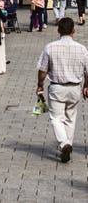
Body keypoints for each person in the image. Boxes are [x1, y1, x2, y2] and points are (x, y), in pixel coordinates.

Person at [36, 16, 88, 163]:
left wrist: (40, 84)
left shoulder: (50, 47)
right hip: (74, 88)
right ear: (73, 30)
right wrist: (86, 86)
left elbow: (42, 70)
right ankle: (68, 144)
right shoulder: (82, 49)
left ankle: (64, 143)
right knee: (71, 118)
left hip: (57, 87)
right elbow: (87, 71)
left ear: (58, 30)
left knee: (56, 118)